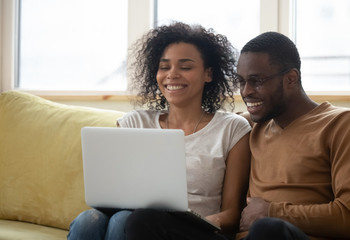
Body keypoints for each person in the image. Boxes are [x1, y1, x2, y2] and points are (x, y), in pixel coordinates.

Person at [68, 22, 251, 240]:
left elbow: (231, 214)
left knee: (124, 221)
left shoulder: (232, 129)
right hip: (135, 221)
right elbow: (113, 193)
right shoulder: (134, 123)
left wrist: (204, 221)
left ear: (208, 74)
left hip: (189, 231)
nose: (172, 74)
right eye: (164, 67)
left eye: (185, 67)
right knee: (88, 220)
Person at [235, 31, 350, 240]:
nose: (246, 92)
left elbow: (349, 217)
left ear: (291, 78)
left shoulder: (341, 123)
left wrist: (272, 212)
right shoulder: (250, 125)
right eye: (241, 81)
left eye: (257, 81)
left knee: (268, 229)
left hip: (287, 236)